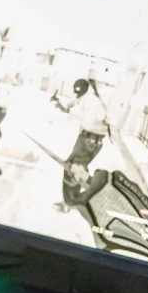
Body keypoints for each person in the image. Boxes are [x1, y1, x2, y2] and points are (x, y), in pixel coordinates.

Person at [58, 78, 109, 209]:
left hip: (89, 139)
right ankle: (77, 197)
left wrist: (68, 110)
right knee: (75, 168)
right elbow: (75, 103)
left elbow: (90, 118)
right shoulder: (90, 98)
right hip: (91, 139)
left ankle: (75, 201)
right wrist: (65, 107)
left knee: (72, 168)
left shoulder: (91, 100)